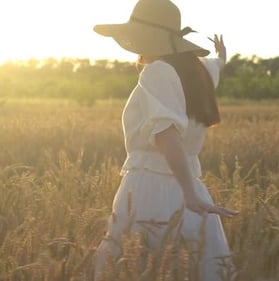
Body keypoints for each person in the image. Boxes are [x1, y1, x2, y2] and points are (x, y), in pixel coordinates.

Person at [92, 0, 238, 280]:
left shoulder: (156, 72)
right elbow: (214, 66)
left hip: (150, 189)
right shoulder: (198, 73)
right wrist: (221, 57)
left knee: (140, 267)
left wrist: (190, 194)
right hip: (189, 187)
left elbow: (165, 134)